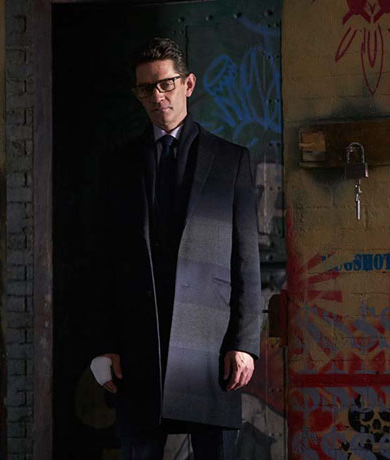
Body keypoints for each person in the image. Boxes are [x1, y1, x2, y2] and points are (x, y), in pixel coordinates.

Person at [89, 37, 262, 460]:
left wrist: (244, 343)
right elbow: (102, 262)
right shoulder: (118, 165)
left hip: (210, 348)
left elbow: (245, 261)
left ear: (188, 84)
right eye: (145, 88)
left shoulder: (230, 160)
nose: (157, 96)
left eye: (165, 84)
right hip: (138, 346)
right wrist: (103, 345)